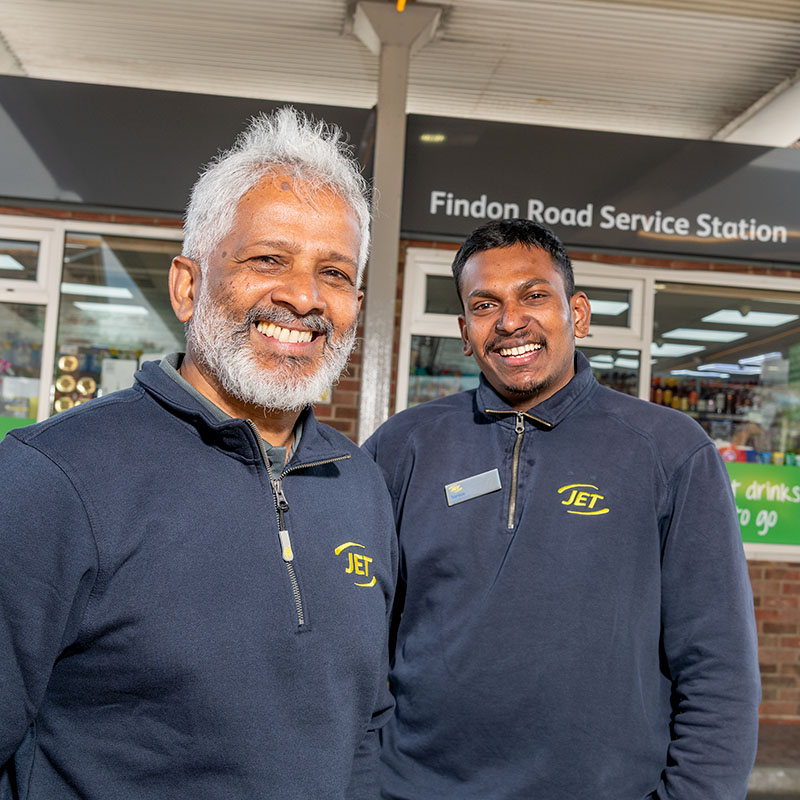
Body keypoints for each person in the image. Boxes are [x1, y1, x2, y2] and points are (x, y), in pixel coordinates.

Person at [0, 108, 396, 799]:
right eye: (267, 258)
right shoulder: (53, 478)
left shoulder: (358, 481)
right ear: (188, 285)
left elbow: (361, 726)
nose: (302, 297)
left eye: (333, 273)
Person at [364, 218, 760, 800]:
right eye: (484, 305)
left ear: (577, 314)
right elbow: (357, 643)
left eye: (533, 295)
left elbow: (718, 666)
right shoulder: (404, 446)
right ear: (465, 331)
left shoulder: (670, 451)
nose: (510, 321)